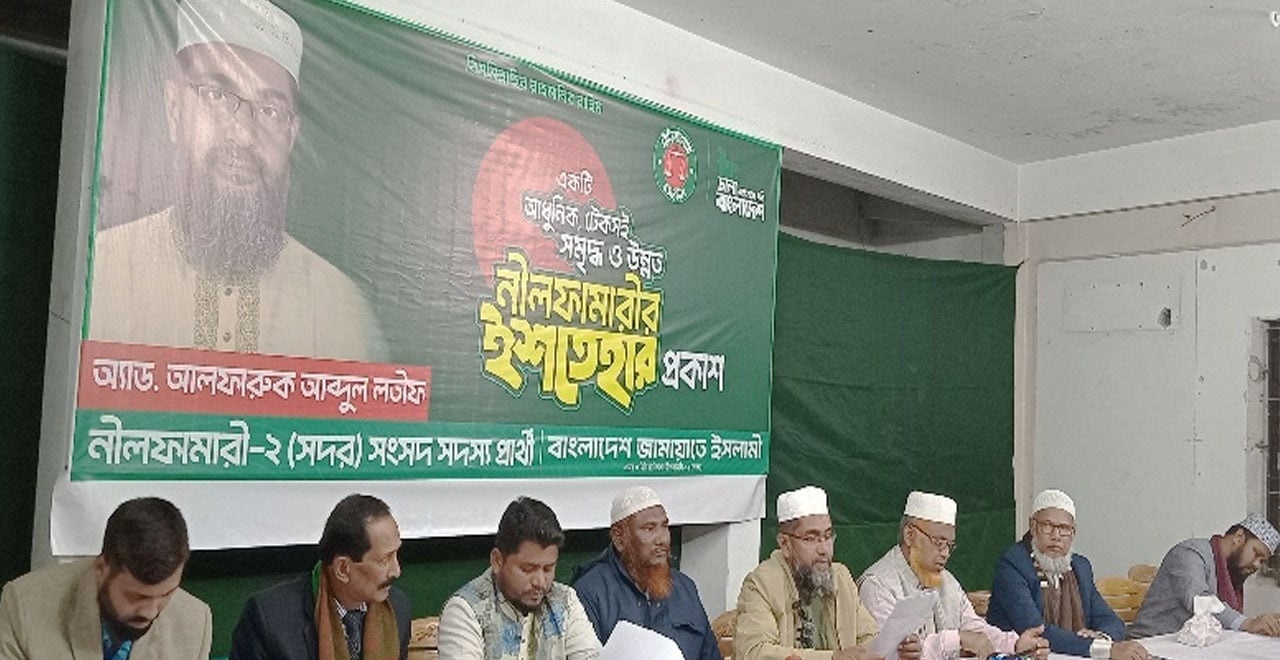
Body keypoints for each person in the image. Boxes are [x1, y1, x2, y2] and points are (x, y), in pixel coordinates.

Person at [88, 0, 387, 361]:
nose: (243, 135)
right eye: (216, 95)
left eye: (269, 110)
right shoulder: (101, 273)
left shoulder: (340, 310)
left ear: (291, 135)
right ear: (174, 109)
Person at [0, 497, 211, 658]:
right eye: (136, 596)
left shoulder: (194, 624)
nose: (150, 611)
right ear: (102, 568)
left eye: (166, 594)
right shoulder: (24, 606)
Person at [734, 485, 921, 660]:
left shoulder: (840, 577)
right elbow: (754, 651)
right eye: (811, 538)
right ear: (785, 544)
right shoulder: (761, 584)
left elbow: (868, 637)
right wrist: (833, 657)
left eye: (827, 536)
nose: (824, 549)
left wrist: (895, 648)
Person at [858, 491, 1049, 660]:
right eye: (939, 543)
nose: (945, 553)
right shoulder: (878, 585)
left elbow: (975, 629)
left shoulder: (946, 581)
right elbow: (891, 653)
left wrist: (1015, 644)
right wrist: (958, 640)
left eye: (949, 546)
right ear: (910, 535)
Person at [229, 494, 412, 660]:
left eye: (396, 554)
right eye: (384, 560)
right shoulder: (269, 620)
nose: (396, 571)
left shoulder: (397, 609)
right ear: (342, 569)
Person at [987, 489, 1147, 659]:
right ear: (1033, 527)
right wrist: (1101, 649)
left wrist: (1101, 637)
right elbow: (1035, 630)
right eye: (1047, 526)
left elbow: (1111, 621)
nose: (1056, 536)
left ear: (1073, 532)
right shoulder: (1013, 564)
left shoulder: (1080, 567)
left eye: (1064, 528)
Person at [438, 496, 600, 660]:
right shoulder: (465, 610)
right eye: (528, 569)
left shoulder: (565, 601)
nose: (540, 582)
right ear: (497, 561)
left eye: (548, 569)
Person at [571, 486, 721, 659]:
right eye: (649, 529)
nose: (662, 539)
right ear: (619, 538)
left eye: (664, 526)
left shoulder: (685, 588)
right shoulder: (591, 593)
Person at [1130, 513, 1280, 638]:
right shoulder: (1190, 554)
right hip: (1151, 645)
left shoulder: (1231, 571)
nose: (1257, 565)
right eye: (1256, 553)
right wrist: (1246, 623)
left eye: (1262, 561)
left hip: (1194, 647)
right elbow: (1199, 601)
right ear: (1238, 537)